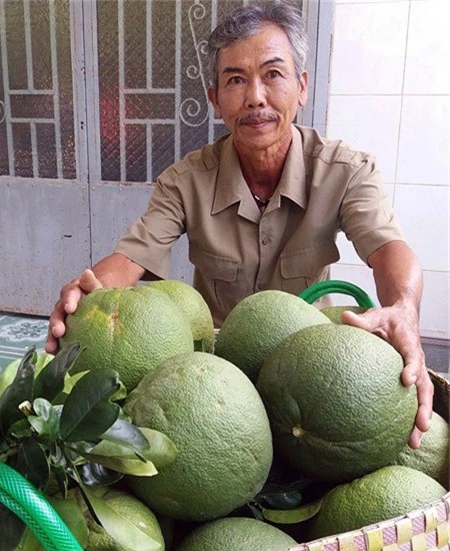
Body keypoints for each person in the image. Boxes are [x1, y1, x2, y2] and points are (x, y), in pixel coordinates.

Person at [46, 1, 432, 448]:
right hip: (212, 384)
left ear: (302, 86)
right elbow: (132, 255)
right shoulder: (185, 180)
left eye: (273, 74)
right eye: (235, 79)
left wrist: (403, 306)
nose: (255, 97)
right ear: (214, 97)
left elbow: (388, 247)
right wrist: (89, 292)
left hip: (310, 380)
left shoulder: (344, 170)